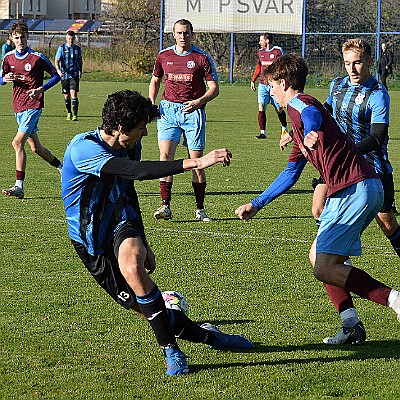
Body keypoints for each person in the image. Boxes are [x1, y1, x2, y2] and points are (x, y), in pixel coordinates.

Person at [61, 89, 254, 377]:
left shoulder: (129, 144)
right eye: (142, 128)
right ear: (122, 129)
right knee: (143, 308)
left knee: (132, 267)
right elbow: (134, 171)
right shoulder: (83, 148)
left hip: (121, 222)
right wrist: (197, 161)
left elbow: (128, 190)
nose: (146, 135)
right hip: (90, 241)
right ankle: (209, 336)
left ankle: (171, 351)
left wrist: (143, 240)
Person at [236, 53, 400, 346]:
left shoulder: (301, 105)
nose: (270, 92)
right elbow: (290, 174)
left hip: (354, 188)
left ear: (284, 83)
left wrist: (310, 132)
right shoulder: (297, 125)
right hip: (360, 187)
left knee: (324, 266)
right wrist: (257, 203)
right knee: (318, 257)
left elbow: (310, 113)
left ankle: (395, 300)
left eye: (272, 85)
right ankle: (351, 324)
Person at [149, 19, 219, 222]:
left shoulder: (201, 58)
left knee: (197, 162)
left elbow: (214, 88)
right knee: (165, 158)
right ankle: (165, 206)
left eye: (186, 33)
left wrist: (199, 101)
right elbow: (155, 80)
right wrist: (152, 102)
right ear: (173, 34)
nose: (182, 36)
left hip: (193, 112)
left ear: (191, 33)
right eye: (179, 33)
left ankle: (200, 209)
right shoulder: (164, 55)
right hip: (168, 110)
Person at [0, 21, 62, 199]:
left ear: (28, 37)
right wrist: (5, 78)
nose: (21, 40)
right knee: (36, 148)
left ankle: (19, 186)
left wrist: (41, 90)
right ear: (11, 38)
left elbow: (57, 76)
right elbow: (0, 78)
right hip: (18, 107)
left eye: (23, 37)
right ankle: (62, 167)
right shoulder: (8, 57)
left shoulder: (37, 57)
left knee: (17, 143)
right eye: (17, 38)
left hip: (33, 106)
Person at [251, 32, 289, 139]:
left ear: (267, 41)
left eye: (261, 40)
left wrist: (281, 81)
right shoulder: (260, 52)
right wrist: (253, 80)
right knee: (261, 105)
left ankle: (284, 128)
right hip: (263, 84)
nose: (259, 42)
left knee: (279, 109)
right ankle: (263, 133)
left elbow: (283, 66)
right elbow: (259, 66)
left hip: (274, 85)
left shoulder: (277, 51)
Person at [55, 30, 83, 121]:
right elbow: (56, 61)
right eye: (69, 39)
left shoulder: (77, 49)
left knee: (73, 94)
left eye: (72, 39)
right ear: (66, 39)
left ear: (74, 39)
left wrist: (80, 71)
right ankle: (69, 113)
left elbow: (80, 61)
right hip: (64, 76)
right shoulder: (61, 48)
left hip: (74, 75)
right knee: (66, 96)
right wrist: (58, 70)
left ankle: (75, 115)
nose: (70, 41)